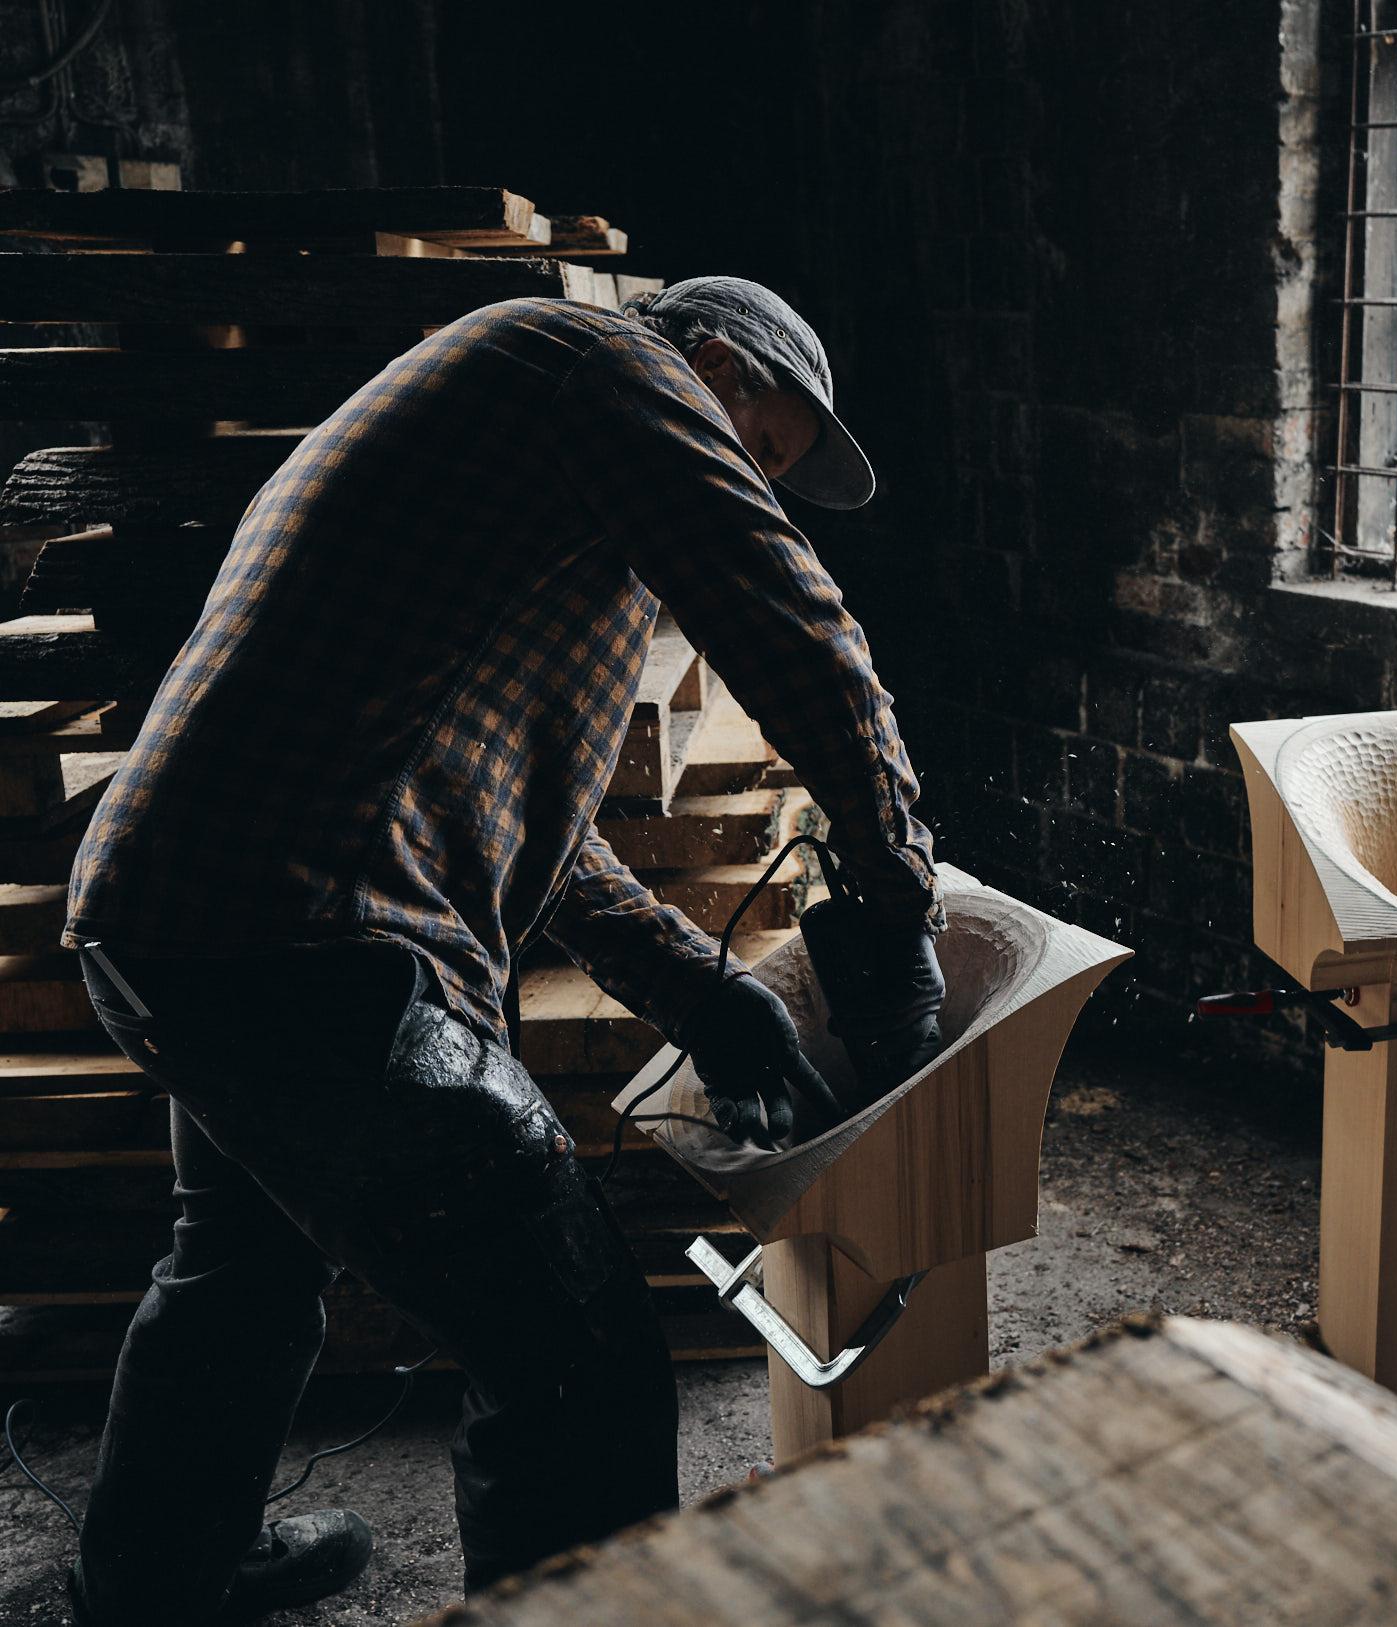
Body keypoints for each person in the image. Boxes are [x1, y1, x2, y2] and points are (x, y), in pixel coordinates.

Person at [60, 277, 944, 1622]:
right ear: (711, 362)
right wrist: (897, 892)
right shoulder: (596, 361)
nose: (743, 480)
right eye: (756, 448)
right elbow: (793, 619)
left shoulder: (517, 434)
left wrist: (691, 985)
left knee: (239, 1266)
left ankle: (159, 1583)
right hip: (315, 944)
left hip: (185, 919)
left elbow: (536, 819)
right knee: (576, 1363)